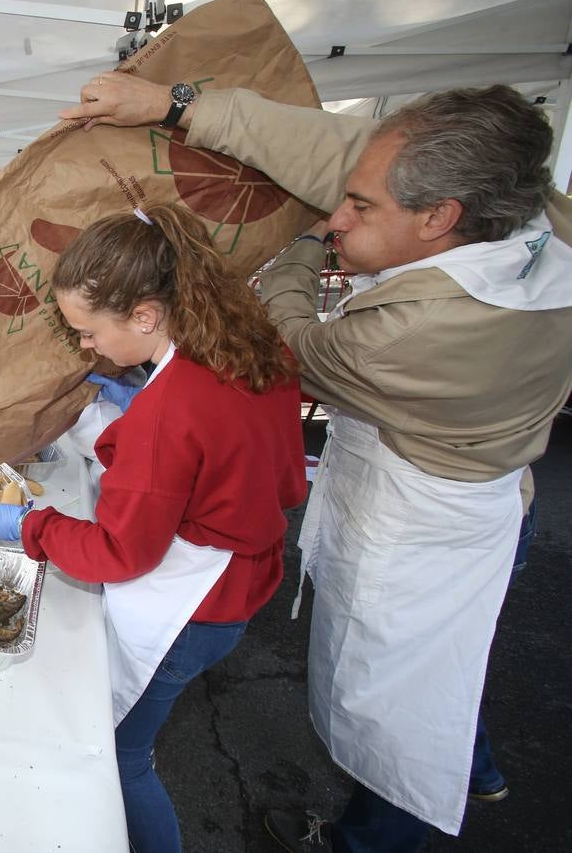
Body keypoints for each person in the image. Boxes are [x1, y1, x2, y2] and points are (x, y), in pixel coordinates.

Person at [63, 74, 572, 849]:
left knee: (404, 717)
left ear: (442, 218)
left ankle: (379, 834)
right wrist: (177, 105)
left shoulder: (421, 340)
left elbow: (284, 344)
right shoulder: (519, 202)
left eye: (358, 209)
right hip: (322, 538)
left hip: (430, 526)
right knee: (438, 684)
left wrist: (301, 242)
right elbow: (331, 152)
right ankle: (472, 763)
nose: (339, 212)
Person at [0, 205, 306, 853]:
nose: (87, 346)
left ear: (145, 315)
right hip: (246, 581)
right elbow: (283, 479)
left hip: (191, 609)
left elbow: (118, 553)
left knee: (121, 757)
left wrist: (34, 524)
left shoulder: (170, 415)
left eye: (89, 331)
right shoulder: (257, 346)